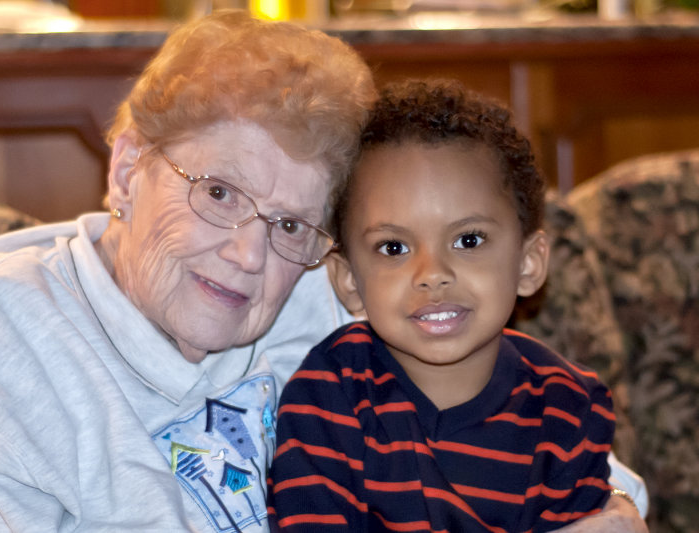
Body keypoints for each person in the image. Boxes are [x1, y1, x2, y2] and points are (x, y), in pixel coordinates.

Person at [0, 10, 645, 532]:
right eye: (218, 193)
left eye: (289, 222)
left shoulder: (320, 289)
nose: (248, 254)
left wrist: (615, 507)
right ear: (127, 167)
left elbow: (578, 467)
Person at [268, 79, 645, 532]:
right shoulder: (329, 398)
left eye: (468, 240)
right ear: (348, 280)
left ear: (527, 264)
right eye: (393, 248)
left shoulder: (569, 409)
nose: (432, 272)